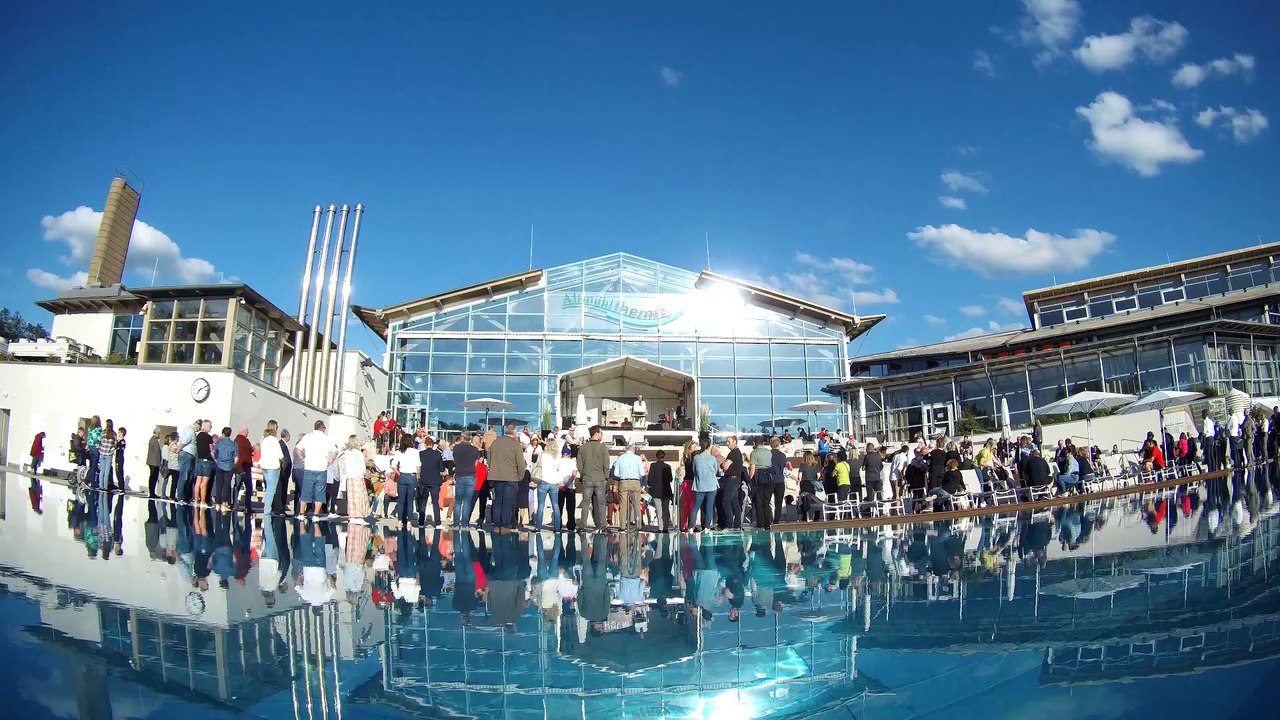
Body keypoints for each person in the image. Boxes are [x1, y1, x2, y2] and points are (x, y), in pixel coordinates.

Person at [487, 424, 526, 532]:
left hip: (496, 476)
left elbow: (489, 460)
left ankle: (496, 525)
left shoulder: (495, 442)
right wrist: (520, 476)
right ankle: (504, 525)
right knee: (508, 502)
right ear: (514, 433)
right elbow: (521, 464)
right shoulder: (516, 444)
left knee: (498, 501)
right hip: (511, 477)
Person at [296, 421, 338, 518]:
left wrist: (302, 458)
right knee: (320, 493)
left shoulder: (307, 437)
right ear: (322, 428)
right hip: (321, 468)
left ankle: (302, 514)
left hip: (309, 467)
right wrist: (330, 461)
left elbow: (297, 448)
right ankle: (316, 515)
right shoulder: (326, 438)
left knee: (306, 491)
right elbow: (335, 451)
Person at [577, 425, 611, 532]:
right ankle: (603, 526)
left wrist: (583, 475)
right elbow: (606, 464)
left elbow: (579, 464)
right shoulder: (603, 447)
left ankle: (583, 526)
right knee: (601, 503)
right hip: (600, 478)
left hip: (587, 478)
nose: (602, 435)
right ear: (596, 434)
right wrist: (606, 476)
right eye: (601, 433)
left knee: (586, 503)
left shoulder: (583, 447)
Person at [612, 443, 646, 530]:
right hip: (635, 481)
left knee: (623, 505)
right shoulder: (637, 458)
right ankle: (638, 525)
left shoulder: (620, 458)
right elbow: (642, 473)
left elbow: (616, 473)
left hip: (624, 482)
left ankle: (622, 526)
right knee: (636, 504)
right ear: (633, 449)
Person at [390, 435, 420, 526]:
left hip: (402, 475)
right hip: (411, 476)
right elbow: (418, 465)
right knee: (410, 500)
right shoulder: (415, 451)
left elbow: (393, 465)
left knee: (401, 500)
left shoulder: (399, 451)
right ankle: (409, 522)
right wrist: (418, 477)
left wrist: (399, 473)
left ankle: (400, 521)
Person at [452, 433, 481, 528]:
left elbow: (454, 461)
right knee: (467, 501)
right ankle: (464, 524)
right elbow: (476, 463)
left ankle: (456, 523)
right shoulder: (474, 449)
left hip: (460, 475)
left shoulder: (456, 448)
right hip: (470, 475)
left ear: (462, 438)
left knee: (458, 501)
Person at [340, 435, 371, 523]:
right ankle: (359, 516)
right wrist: (364, 473)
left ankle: (352, 516)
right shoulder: (358, 453)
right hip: (358, 476)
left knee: (351, 497)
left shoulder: (346, 453)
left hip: (350, 477)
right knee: (359, 496)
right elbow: (362, 466)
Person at [691, 441, 720, 532]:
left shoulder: (696, 458)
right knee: (709, 506)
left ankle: (691, 526)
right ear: (709, 447)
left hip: (700, 485)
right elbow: (715, 471)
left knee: (696, 507)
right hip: (711, 485)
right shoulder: (712, 458)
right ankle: (707, 526)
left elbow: (694, 470)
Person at [418, 437, 446, 526]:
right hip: (435, 481)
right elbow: (442, 468)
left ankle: (421, 522)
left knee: (423, 502)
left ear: (425, 444)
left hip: (424, 480)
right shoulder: (437, 454)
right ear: (433, 444)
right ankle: (437, 523)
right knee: (435, 503)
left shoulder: (421, 454)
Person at [719, 436, 745, 530]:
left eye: (729, 442)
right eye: (726, 442)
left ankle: (729, 524)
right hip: (736, 479)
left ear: (735, 442)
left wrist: (723, 465)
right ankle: (737, 524)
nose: (727, 444)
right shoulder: (736, 453)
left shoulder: (734, 453)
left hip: (732, 479)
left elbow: (725, 466)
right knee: (735, 502)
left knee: (726, 501)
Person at [259, 421, 285, 516]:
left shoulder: (263, 439)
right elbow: (280, 455)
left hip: (264, 465)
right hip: (273, 466)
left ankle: (267, 508)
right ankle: (267, 509)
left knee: (268, 488)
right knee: (271, 489)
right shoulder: (274, 440)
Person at [647, 448, 674, 532]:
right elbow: (670, 479)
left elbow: (650, 479)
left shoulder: (653, 466)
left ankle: (660, 528)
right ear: (664, 456)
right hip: (666, 490)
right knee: (666, 509)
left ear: (656, 456)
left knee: (659, 510)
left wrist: (650, 486)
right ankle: (666, 527)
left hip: (656, 491)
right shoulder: (667, 466)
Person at [213, 427, 238, 512]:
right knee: (226, 485)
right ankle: (224, 503)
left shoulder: (219, 443)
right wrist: (233, 464)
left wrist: (216, 460)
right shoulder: (233, 444)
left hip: (220, 465)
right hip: (229, 466)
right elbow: (236, 457)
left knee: (219, 484)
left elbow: (213, 452)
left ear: (223, 433)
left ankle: (217, 503)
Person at [233, 428, 255, 510]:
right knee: (248, 486)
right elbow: (251, 450)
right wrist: (252, 447)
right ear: (243, 431)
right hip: (244, 466)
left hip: (239, 466)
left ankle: (235, 504)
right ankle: (247, 506)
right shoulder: (243, 440)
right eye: (247, 431)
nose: (248, 432)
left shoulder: (236, 440)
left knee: (237, 486)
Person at [194, 421, 214, 507]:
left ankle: (196, 500)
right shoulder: (209, 437)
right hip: (207, 460)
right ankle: (202, 501)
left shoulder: (198, 436)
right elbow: (211, 450)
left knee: (198, 481)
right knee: (205, 482)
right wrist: (215, 459)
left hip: (199, 459)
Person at [98, 424, 118, 491]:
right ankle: (105, 487)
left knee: (102, 471)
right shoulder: (114, 434)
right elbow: (115, 445)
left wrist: (100, 449)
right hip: (109, 454)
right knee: (107, 472)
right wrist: (111, 450)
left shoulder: (103, 433)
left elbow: (100, 442)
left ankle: (101, 486)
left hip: (102, 453)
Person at [145, 428, 163, 497]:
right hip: (154, 463)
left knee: (153, 477)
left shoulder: (153, 439)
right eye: (159, 434)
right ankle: (151, 492)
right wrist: (159, 462)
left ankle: (152, 492)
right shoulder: (154, 440)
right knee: (153, 477)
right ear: (158, 433)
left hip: (153, 462)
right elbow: (157, 453)